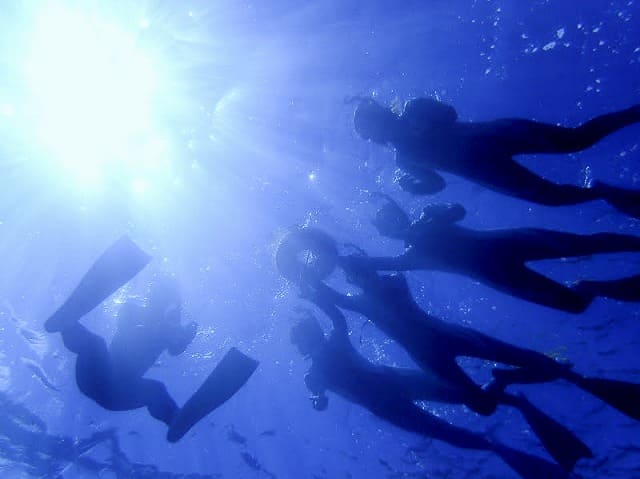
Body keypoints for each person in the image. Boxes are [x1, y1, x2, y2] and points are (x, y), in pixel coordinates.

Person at [290, 308, 571, 479]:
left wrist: (317, 299)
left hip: (390, 396)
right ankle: (505, 410)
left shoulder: (317, 367)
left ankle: (502, 422)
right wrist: (317, 299)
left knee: (453, 420)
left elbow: (319, 399)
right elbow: (319, 397)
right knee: (455, 419)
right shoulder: (318, 367)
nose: (307, 342)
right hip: (393, 392)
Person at [45, 236, 259, 443]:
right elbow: (128, 321)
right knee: (95, 344)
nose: (162, 305)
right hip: (97, 376)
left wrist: (185, 335)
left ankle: (174, 419)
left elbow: (176, 349)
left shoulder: (168, 330)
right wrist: (164, 327)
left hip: (118, 393)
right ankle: (67, 323)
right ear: (151, 298)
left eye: (168, 302)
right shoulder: (132, 310)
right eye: (159, 298)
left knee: (156, 390)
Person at [353, 97, 640, 217]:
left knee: (577, 139)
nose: (379, 134)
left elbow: (451, 113)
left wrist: (429, 120)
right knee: (551, 197)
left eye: (374, 126)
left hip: (497, 135)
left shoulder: (412, 108)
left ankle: (633, 112)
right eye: (372, 133)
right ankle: (602, 192)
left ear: (381, 115)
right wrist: (413, 187)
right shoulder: (403, 158)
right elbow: (435, 184)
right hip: (488, 170)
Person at [366, 194, 640, 312]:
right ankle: (593, 287)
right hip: (501, 276)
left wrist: (441, 212)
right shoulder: (411, 257)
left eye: (391, 216)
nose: (392, 223)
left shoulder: (428, 216)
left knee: (583, 244)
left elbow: (458, 209)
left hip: (510, 242)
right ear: (385, 234)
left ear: (400, 213)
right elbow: (378, 263)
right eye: (385, 224)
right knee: (575, 305)